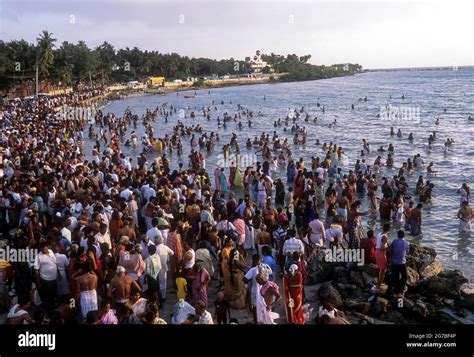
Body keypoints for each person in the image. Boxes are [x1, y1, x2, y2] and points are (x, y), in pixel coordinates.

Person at [34, 242, 58, 311]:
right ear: (40, 249)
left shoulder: (51, 251)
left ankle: (53, 307)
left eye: (45, 249)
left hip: (54, 278)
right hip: (46, 280)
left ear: (47, 247)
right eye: (42, 250)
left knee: (54, 294)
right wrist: (38, 281)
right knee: (47, 296)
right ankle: (49, 309)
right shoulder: (38, 256)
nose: (44, 251)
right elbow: (36, 270)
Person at [390, 230, 410, 298]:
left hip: (394, 262)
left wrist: (391, 258)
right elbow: (407, 252)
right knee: (404, 277)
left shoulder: (394, 241)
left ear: (397, 235)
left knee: (395, 277)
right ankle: (400, 291)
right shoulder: (407, 243)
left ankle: (396, 292)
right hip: (402, 262)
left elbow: (391, 250)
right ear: (404, 236)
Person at [375, 224, 390, 290]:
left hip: (376, 252)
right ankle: (379, 285)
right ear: (389, 230)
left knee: (378, 269)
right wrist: (389, 246)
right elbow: (382, 248)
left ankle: (379, 282)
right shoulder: (385, 237)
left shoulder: (379, 234)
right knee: (383, 270)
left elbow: (378, 244)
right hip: (381, 253)